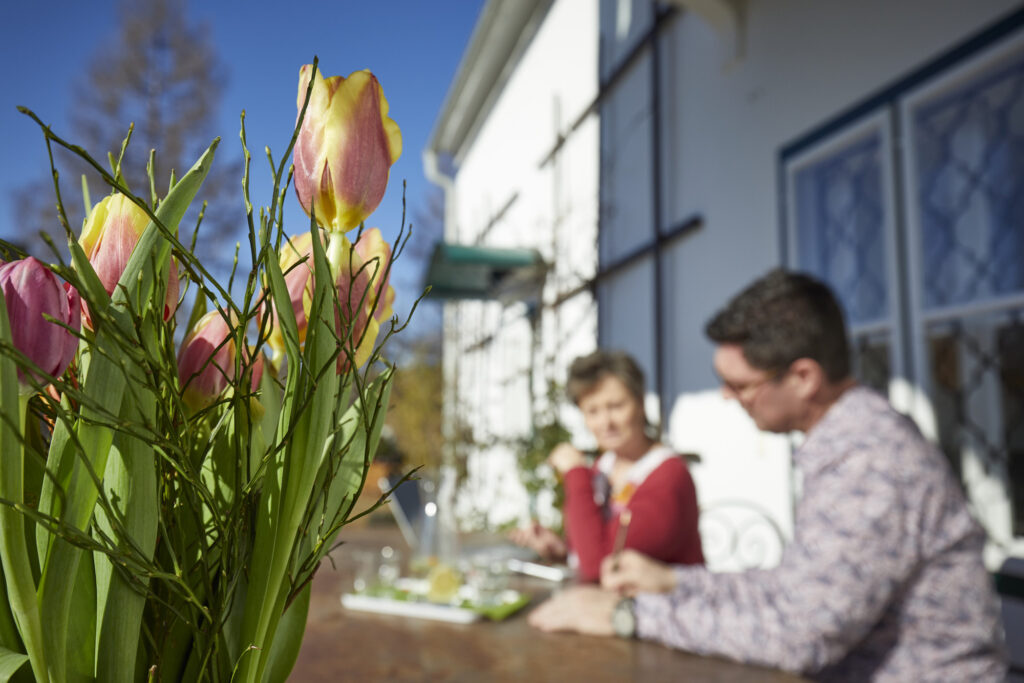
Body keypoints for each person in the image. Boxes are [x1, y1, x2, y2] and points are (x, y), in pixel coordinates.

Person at [528, 269, 1006, 681]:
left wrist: (628, 616)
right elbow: (792, 592)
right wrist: (675, 583)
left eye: (741, 385)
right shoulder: (849, 444)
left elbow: (798, 635)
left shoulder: (870, 463)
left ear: (803, 378)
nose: (727, 397)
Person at [511, 350, 703, 581]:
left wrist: (575, 472)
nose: (605, 422)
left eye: (616, 406)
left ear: (640, 403)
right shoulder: (605, 466)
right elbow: (593, 545)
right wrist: (563, 550)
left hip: (668, 602)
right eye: (592, 411)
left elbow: (601, 567)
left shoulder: (667, 476)